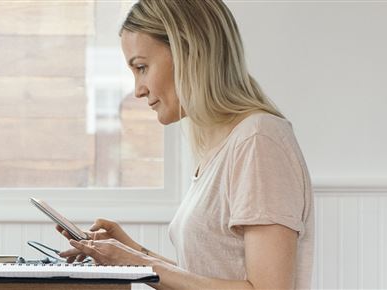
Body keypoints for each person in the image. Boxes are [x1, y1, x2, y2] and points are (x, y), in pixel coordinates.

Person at [56, 1, 313, 289]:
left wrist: (141, 264)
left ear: (188, 52)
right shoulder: (224, 145)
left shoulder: (258, 141)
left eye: (142, 67)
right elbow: (206, 278)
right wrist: (129, 253)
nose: (138, 89)